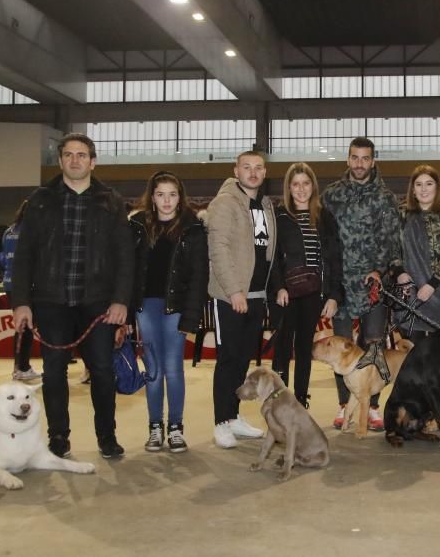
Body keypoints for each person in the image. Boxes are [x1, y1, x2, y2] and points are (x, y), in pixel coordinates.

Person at [11, 132, 134, 459]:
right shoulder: (40, 200)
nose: (75, 160)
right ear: (61, 160)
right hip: (51, 301)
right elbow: (24, 255)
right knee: (53, 371)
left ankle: (107, 437)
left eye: (82, 155)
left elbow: (125, 256)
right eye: (68, 154)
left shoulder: (112, 201)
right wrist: (22, 301)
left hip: (98, 302)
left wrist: (121, 299)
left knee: (103, 371)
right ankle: (58, 437)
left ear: (92, 161)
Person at [321, 137, 401, 431]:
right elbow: (325, 241)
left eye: (365, 158)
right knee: (339, 348)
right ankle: (346, 405)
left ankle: (374, 405)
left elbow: (393, 242)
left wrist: (380, 270)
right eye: (354, 157)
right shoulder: (331, 195)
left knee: (373, 345)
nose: (359, 163)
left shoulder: (385, 198)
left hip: (373, 285)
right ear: (347, 159)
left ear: (373, 161)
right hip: (341, 286)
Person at [130, 171, 208, 453]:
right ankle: (154, 427)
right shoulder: (137, 225)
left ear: (180, 197)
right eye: (161, 194)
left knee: (173, 369)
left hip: (176, 307)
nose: (166, 201)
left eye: (172, 194)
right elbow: (128, 271)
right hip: (145, 307)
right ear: (152, 197)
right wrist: (128, 316)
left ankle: (175, 426)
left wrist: (191, 316)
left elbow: (200, 276)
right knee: (153, 370)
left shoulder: (193, 228)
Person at [206, 150, 273, 448]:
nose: (253, 172)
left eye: (258, 167)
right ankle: (221, 422)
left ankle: (234, 418)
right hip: (231, 296)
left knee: (242, 361)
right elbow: (218, 249)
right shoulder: (224, 203)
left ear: (265, 172)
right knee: (228, 360)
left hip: (257, 296)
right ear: (236, 171)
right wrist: (234, 290)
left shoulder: (266, 204)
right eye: (247, 167)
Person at [271, 162, 344, 409]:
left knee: (304, 349)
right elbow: (273, 257)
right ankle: (279, 400)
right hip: (285, 295)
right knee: (282, 348)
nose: (301, 189)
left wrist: (334, 294)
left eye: (305, 183)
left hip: (313, 294)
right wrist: (279, 286)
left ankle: (301, 399)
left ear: (313, 186)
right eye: (295, 184)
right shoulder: (279, 217)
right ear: (288, 188)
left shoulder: (324, 217)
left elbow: (335, 258)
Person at [389, 164, 440, 343]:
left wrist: (432, 284)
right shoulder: (401, 214)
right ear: (413, 189)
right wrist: (399, 272)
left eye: (429, 184)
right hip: (409, 291)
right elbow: (391, 247)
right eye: (419, 184)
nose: (423, 189)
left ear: (437, 188)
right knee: (413, 351)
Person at [1, 200, 40, 381]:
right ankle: (22, 366)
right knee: (27, 327)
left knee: (21, 325)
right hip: (27, 284)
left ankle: (19, 365)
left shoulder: (9, 231)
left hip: (10, 283)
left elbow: (4, 258)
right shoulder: (31, 231)